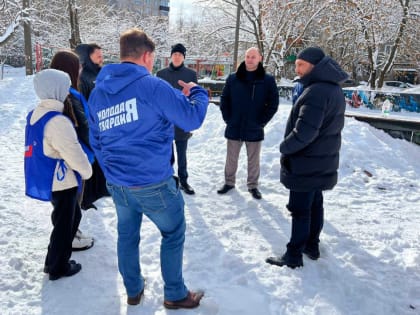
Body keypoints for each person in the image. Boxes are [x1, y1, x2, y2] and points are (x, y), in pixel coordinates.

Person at [88, 28, 208, 308]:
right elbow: (190, 119)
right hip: (153, 183)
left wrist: (113, 171)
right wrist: (198, 93)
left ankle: (133, 289)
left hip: (118, 184)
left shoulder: (99, 93)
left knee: (127, 235)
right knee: (173, 232)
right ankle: (175, 294)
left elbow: (96, 141)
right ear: (147, 55)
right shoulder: (152, 86)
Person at [266, 47, 348, 268]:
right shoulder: (332, 89)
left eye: (301, 65)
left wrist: (285, 147)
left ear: (314, 66)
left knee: (300, 209)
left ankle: (293, 255)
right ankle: (312, 245)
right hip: (320, 161)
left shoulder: (316, 92)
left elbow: (305, 132)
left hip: (306, 163)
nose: (297, 70)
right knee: (315, 204)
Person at [24, 69, 92, 280]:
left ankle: (52, 261)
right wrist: (87, 171)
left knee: (65, 219)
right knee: (65, 224)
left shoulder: (36, 114)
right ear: (56, 89)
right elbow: (73, 152)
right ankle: (58, 267)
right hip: (62, 181)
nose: (67, 91)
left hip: (48, 178)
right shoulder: (58, 122)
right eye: (65, 87)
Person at [217, 47, 279, 199]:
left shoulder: (267, 80)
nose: (250, 59)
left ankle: (253, 186)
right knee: (231, 158)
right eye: (247, 56)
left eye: (253, 57)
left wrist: (262, 122)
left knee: (254, 160)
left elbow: (273, 104)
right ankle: (229, 183)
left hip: (254, 127)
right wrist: (228, 118)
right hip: (234, 125)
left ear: (260, 58)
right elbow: (224, 99)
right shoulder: (233, 78)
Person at [50, 50, 95, 251]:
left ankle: (69, 233)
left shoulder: (57, 92)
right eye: (78, 66)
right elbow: (83, 127)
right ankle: (71, 236)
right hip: (75, 154)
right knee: (71, 203)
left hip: (65, 154)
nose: (81, 69)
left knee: (67, 203)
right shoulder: (70, 94)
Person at [156, 43, 198, 195]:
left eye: (180, 54)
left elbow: (194, 96)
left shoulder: (191, 74)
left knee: (182, 153)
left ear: (183, 57)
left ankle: (184, 181)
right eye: (175, 54)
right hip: (165, 120)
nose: (177, 57)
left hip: (181, 120)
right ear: (171, 56)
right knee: (166, 153)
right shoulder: (161, 74)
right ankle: (166, 181)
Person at [75, 43, 109, 210]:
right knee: (90, 161)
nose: (101, 58)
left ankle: (101, 189)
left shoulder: (101, 73)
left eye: (102, 55)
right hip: (91, 125)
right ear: (88, 57)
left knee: (102, 158)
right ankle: (86, 198)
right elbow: (83, 104)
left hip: (104, 123)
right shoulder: (84, 77)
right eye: (98, 55)